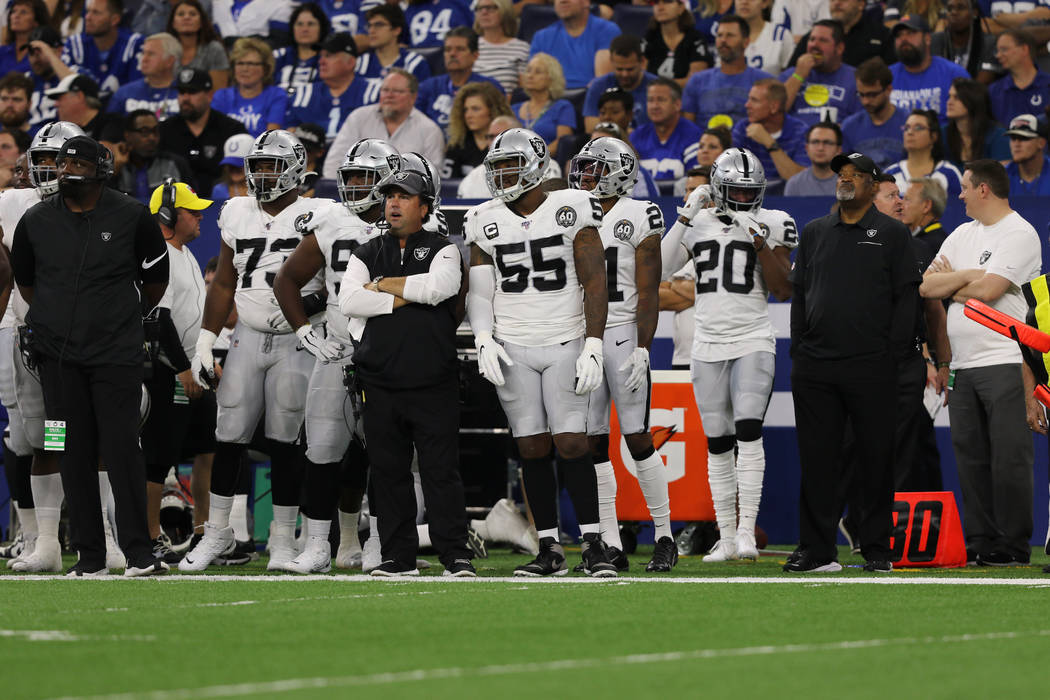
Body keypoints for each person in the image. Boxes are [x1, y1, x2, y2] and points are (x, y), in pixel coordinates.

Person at [11, 134, 171, 577]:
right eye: (62, 164)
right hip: (57, 358)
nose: (66, 170)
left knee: (121, 449)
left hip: (115, 354)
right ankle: (90, 555)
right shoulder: (36, 220)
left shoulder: (132, 215)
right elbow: (26, 282)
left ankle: (140, 553)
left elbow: (156, 278)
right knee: (67, 448)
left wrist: (122, 317)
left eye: (77, 164)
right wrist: (56, 316)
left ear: (101, 169)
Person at [463, 127, 617, 577]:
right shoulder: (484, 218)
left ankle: (594, 542)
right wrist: (484, 338)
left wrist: (593, 342)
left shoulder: (571, 206)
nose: (503, 176)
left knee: (572, 441)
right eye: (498, 168)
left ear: (533, 165)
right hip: (513, 343)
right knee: (530, 446)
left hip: (565, 336)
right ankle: (548, 547)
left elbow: (594, 281)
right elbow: (479, 289)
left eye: (511, 166)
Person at [180, 130, 320, 573]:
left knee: (285, 440)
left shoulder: (319, 213)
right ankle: (218, 532)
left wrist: (307, 310)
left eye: (271, 165)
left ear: (295, 169)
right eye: (257, 166)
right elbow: (224, 281)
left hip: (297, 340)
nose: (262, 174)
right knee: (228, 436)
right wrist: (206, 338)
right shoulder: (237, 211)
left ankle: (282, 539)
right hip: (245, 337)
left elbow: (336, 281)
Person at [786, 151, 920, 573]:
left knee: (875, 458)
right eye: (840, 173)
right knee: (817, 458)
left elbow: (907, 299)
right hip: (817, 366)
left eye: (855, 174)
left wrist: (893, 354)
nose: (844, 179)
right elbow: (800, 294)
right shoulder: (814, 232)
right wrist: (800, 347)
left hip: (872, 364)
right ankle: (816, 549)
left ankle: (877, 548)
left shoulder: (893, 234)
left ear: (872, 183)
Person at [338, 167, 475, 578]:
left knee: (440, 472)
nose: (393, 203)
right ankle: (398, 556)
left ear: (425, 206)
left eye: (404, 196)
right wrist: (401, 294)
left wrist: (380, 286)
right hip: (378, 381)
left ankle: (456, 554)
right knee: (387, 473)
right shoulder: (366, 251)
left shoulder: (443, 248)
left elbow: (439, 289)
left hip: (433, 380)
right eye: (390, 196)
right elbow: (348, 302)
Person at [662, 148, 795, 562]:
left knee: (749, 432)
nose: (741, 199)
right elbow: (662, 270)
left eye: (748, 191)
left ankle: (746, 534)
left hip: (753, 338)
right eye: (734, 191)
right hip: (707, 344)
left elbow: (784, 288)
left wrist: (756, 237)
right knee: (718, 443)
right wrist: (685, 215)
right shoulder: (698, 222)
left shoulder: (773, 221)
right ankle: (724, 535)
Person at [271, 139, 394, 573]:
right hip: (338, 347)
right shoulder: (328, 221)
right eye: (352, 176)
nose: (358, 185)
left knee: (386, 454)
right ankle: (317, 545)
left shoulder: (410, 219)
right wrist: (305, 333)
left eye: (367, 176)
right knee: (320, 451)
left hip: (389, 351)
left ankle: (380, 543)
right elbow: (286, 280)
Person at [920, 159, 1041, 566]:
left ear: (984, 189)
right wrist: (970, 275)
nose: (960, 194)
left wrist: (959, 282)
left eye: (966, 187)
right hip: (964, 365)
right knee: (970, 457)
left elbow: (990, 290)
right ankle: (979, 541)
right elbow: (925, 285)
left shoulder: (1020, 233)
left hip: (1006, 359)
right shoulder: (961, 233)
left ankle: (1011, 544)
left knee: (1009, 457)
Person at [566, 136, 676, 573]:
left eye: (595, 168)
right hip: (581, 333)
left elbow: (648, 293)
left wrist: (644, 348)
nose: (586, 175)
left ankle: (665, 535)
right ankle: (609, 542)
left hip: (623, 331)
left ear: (618, 172)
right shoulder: (570, 207)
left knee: (636, 436)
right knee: (591, 442)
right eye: (585, 167)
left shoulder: (640, 214)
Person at [0, 122, 83, 574]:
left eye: (60, 159)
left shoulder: (99, 206)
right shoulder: (13, 203)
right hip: (24, 333)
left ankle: (102, 536)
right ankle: (38, 539)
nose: (51, 169)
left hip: (82, 338)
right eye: (44, 160)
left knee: (82, 435)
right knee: (31, 436)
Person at [141, 179, 212, 564]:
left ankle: (204, 531)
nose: (200, 216)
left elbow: (192, 317)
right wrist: (183, 367)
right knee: (159, 455)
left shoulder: (186, 253)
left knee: (207, 447)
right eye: (192, 210)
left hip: (190, 368)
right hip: (166, 370)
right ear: (168, 214)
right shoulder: (161, 255)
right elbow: (157, 319)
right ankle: (151, 534)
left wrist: (202, 358)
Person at [323, 69, 444, 180]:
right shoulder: (358, 118)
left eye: (397, 91)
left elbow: (432, 177)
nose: (389, 95)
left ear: (413, 97)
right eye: (385, 90)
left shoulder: (429, 130)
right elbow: (334, 163)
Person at [158, 67, 248, 197]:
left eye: (192, 92)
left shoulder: (231, 129)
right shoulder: (164, 130)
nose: (185, 98)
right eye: (182, 92)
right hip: (177, 205)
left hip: (219, 204)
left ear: (210, 95)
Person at [683, 15, 773, 131]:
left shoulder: (764, 82)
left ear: (746, 42)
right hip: (704, 146)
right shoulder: (697, 81)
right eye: (719, 35)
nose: (723, 40)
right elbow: (688, 128)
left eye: (730, 35)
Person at [415, 27, 502, 134]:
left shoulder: (489, 87)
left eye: (460, 49)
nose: (452, 54)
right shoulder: (427, 86)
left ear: (475, 55)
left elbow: (500, 125)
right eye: (448, 50)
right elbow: (414, 123)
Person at [731, 78, 810, 194]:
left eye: (754, 100)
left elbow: (799, 181)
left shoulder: (800, 132)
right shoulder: (743, 128)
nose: (747, 105)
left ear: (774, 107)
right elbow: (735, 177)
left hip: (789, 199)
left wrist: (770, 143)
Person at [284, 32, 367, 139]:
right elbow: (289, 132)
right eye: (321, 56)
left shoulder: (371, 93)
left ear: (350, 62)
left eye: (329, 56)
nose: (321, 61)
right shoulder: (304, 94)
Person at [779, 19, 861, 127]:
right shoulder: (791, 75)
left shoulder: (856, 78)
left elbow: (861, 122)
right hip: (793, 139)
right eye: (812, 39)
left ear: (839, 48)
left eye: (823, 40)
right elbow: (775, 111)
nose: (814, 45)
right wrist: (798, 76)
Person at [889, 14, 970, 122]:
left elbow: (969, 120)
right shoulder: (887, 76)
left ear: (927, 39)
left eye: (911, 33)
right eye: (898, 35)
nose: (904, 39)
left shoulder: (953, 74)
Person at [62, 0, 145, 100]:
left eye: (96, 13)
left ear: (114, 19)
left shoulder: (135, 44)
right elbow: (64, 83)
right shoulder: (74, 44)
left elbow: (137, 91)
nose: (88, 17)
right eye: (88, 11)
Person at [528, 0, 619, 90]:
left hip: (587, 98)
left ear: (586, 2)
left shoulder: (607, 31)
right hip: (552, 99)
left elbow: (601, 83)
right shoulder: (541, 37)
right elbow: (534, 82)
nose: (563, 1)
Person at [841, 58, 910, 169]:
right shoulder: (849, 127)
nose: (866, 101)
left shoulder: (909, 122)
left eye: (872, 95)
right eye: (861, 95)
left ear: (888, 90)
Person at [111, 109, 193, 203]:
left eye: (155, 131)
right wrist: (114, 172)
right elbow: (104, 204)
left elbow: (192, 201)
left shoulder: (175, 164)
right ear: (127, 135)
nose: (152, 137)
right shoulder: (118, 165)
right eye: (144, 132)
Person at [211, 37, 288, 137]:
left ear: (265, 68)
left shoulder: (276, 95)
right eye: (240, 63)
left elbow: (271, 138)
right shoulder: (221, 96)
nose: (245, 69)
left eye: (251, 64)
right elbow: (214, 134)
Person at [786, 0, 896, 68]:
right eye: (832, 0)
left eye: (844, 0)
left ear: (861, 4)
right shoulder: (814, 37)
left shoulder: (882, 35)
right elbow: (791, 72)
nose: (837, 3)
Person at [582, 35, 658, 133]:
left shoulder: (657, 87)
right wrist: (624, 133)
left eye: (630, 69)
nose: (624, 74)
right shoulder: (598, 86)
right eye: (619, 69)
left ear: (642, 62)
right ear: (611, 61)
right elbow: (590, 126)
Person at [633, 77, 701, 183]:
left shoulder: (693, 135)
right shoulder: (637, 136)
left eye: (661, 100)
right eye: (650, 100)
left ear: (677, 104)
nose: (654, 106)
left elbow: (696, 182)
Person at [355, 4, 431, 98]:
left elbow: (421, 99)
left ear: (396, 30)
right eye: (369, 26)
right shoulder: (360, 63)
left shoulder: (414, 63)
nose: (371, 31)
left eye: (378, 25)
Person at [884, 109, 963, 196]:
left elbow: (959, 208)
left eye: (918, 128)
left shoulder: (949, 173)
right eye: (906, 128)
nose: (910, 132)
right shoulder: (890, 173)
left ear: (934, 136)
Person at [443, 81, 511, 180]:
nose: (468, 115)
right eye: (465, 110)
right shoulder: (457, 145)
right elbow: (448, 186)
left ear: (492, 111)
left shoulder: (507, 142)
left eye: (475, 109)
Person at [106, 32, 180, 120]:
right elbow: (111, 129)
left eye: (151, 54)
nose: (144, 59)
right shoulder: (123, 93)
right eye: (143, 53)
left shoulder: (186, 94)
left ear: (169, 61)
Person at [988, 28, 1050, 127]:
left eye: (1004, 49)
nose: (998, 55)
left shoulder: (1047, 85)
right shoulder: (994, 91)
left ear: (1024, 49)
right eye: (997, 50)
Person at [643, 0, 711, 86]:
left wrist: (659, 87)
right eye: (656, 3)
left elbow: (696, 81)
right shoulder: (649, 38)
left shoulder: (695, 40)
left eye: (667, 2)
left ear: (681, 8)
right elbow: (640, 77)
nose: (660, 8)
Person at [943, 78, 1009, 167]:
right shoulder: (942, 134)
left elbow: (1002, 175)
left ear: (973, 100)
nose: (949, 102)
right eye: (949, 96)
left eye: (957, 98)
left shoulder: (997, 135)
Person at [931, 0, 998, 84]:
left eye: (961, 8)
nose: (954, 12)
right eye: (950, 9)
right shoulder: (935, 41)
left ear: (974, 12)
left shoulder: (989, 43)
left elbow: (982, 83)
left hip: (975, 95)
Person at [168, 0, 230, 91]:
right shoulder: (165, 50)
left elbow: (218, 92)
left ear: (201, 22)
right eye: (181, 14)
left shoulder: (214, 49)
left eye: (193, 14)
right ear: (173, 23)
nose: (186, 17)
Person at [472, 0, 529, 94]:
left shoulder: (522, 48)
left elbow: (523, 91)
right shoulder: (469, 46)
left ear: (505, 11)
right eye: (480, 8)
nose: (484, 12)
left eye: (491, 8)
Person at [272, 3, 328, 95]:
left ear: (321, 28)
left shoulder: (329, 59)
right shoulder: (278, 56)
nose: (305, 29)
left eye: (311, 24)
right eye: (299, 24)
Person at [46, 73, 120, 142]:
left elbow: (109, 153)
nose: (55, 104)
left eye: (59, 98)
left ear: (79, 96)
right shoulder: (66, 133)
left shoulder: (112, 123)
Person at [784, 121, 843, 196]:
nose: (820, 148)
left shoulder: (851, 183)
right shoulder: (794, 184)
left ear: (838, 150)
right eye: (815, 142)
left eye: (827, 142)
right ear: (807, 148)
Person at [737, 0, 794, 75]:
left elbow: (789, 76)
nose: (744, 2)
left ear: (765, 3)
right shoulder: (723, 34)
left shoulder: (781, 35)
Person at [1004, 114, 1050, 195]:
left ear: (1041, 143)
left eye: (1023, 138)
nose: (1016, 144)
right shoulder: (1001, 177)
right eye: (1013, 138)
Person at [901, 176, 949, 253]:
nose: (901, 205)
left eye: (907, 199)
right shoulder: (938, 239)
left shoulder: (928, 246)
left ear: (926, 206)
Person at [0, 0, 46, 77]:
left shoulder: (42, 52)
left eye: (23, 12)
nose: (16, 16)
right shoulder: (2, 51)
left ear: (36, 21)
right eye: (13, 11)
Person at [211, 0, 294, 42]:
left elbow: (279, 42)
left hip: (261, 61)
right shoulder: (217, 2)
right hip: (221, 63)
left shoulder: (281, 3)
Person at [403, 0, 472, 49]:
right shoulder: (411, 9)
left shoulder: (462, 4)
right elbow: (401, 43)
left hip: (454, 59)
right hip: (417, 62)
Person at [210, 132, 254, 199]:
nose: (234, 169)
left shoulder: (264, 191)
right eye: (230, 164)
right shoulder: (219, 190)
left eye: (239, 165)